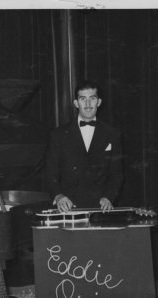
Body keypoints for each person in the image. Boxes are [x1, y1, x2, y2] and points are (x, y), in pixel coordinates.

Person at [45, 79, 124, 213]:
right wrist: (58, 196)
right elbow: (50, 173)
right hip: (68, 207)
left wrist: (108, 197)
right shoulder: (58, 135)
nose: (88, 104)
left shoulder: (112, 134)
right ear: (76, 103)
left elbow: (117, 174)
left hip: (100, 209)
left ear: (99, 102)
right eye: (83, 99)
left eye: (92, 98)